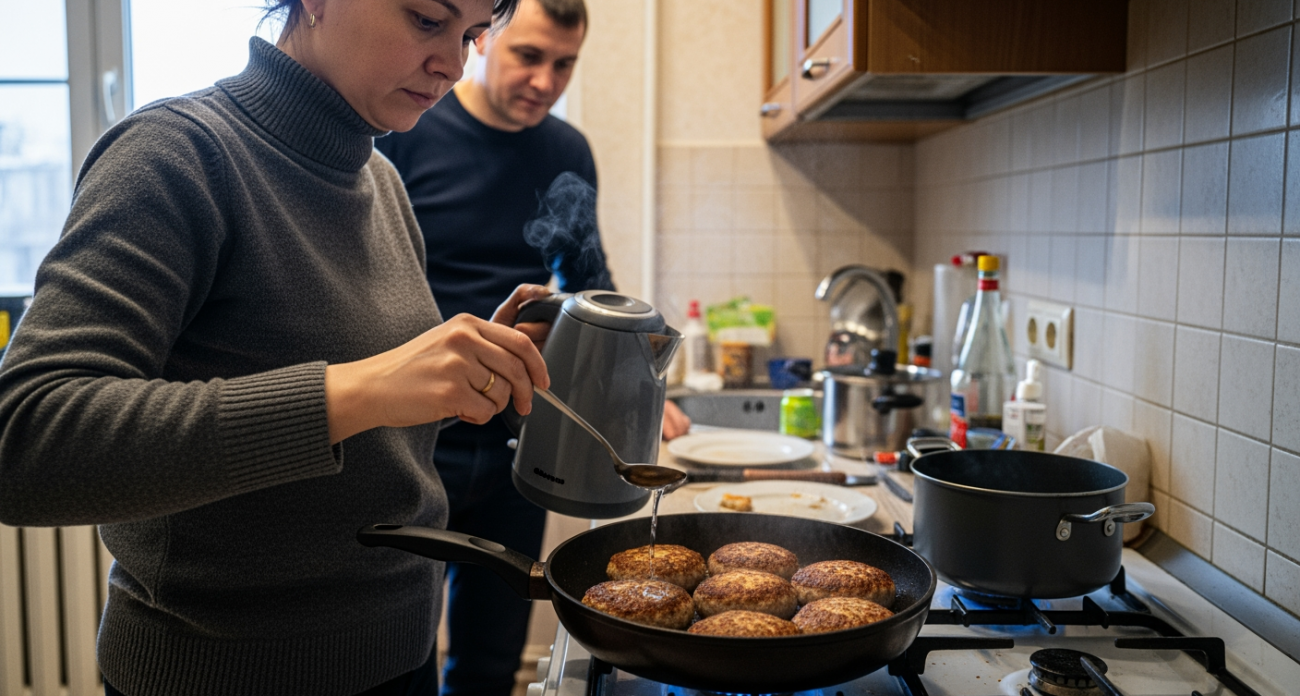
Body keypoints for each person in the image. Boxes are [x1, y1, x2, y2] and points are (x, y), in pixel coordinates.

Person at [0, 1, 557, 694]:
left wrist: (471, 373)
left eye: (472, 34)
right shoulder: (175, 154)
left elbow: (360, 430)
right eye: (424, 19)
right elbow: (25, 443)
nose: (454, 61)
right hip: (223, 675)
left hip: (400, 659)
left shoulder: (378, 178)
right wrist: (357, 388)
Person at [375, 2, 687, 694]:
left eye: (564, 63)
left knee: (491, 654)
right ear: (481, 38)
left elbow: (587, 285)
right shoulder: (407, 128)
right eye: (529, 56)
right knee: (400, 654)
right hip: (410, 439)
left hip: (522, 435)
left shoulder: (565, 153)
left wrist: (635, 380)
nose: (546, 81)